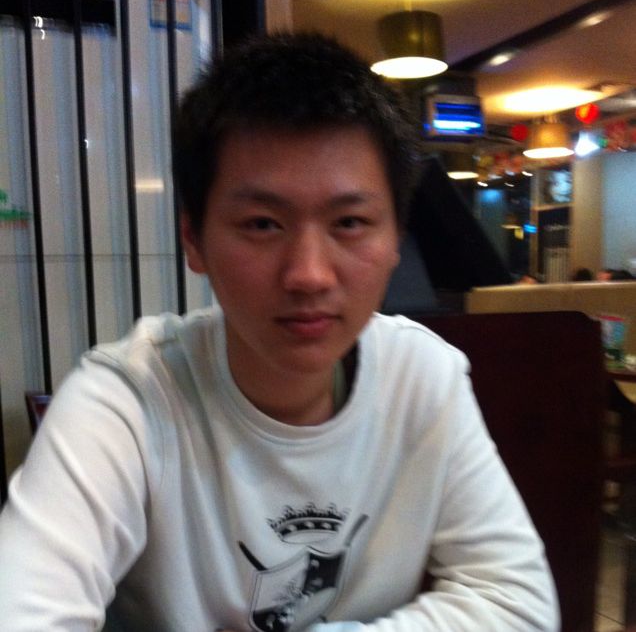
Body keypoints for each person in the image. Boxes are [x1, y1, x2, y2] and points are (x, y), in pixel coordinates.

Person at [0, 33, 558, 631]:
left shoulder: (423, 377)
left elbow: (516, 602)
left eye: (350, 222)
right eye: (263, 224)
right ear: (194, 239)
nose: (309, 274)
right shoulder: (127, 400)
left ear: (396, 237)